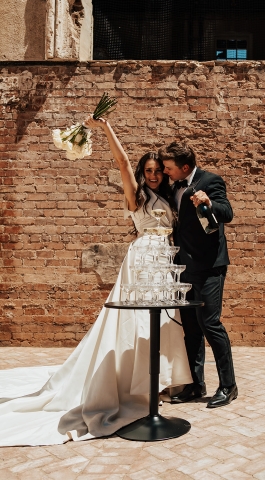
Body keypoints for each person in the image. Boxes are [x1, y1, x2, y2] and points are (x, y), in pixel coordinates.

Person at [0, 119, 192, 446]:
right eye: (148, 170)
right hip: (144, 257)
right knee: (139, 323)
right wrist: (105, 127)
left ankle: (157, 385)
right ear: (141, 173)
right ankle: (135, 387)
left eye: (158, 170)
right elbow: (120, 161)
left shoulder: (171, 195)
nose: (154, 175)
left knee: (164, 322)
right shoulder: (138, 195)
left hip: (166, 259)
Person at [158, 141, 237, 408]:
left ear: (185, 167)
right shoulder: (173, 187)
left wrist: (209, 202)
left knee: (210, 324)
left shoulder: (211, 180)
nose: (165, 172)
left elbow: (227, 213)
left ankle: (228, 386)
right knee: (190, 328)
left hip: (209, 266)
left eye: (169, 168)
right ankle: (195, 384)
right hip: (184, 266)